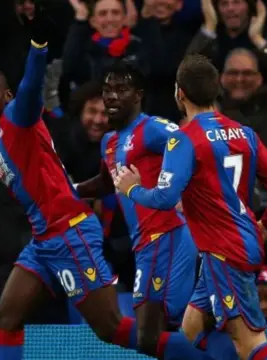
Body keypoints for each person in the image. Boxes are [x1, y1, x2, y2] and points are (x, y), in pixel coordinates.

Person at [0, 10, 138, 360]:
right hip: (46, 239)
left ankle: (196, 353)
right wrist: (81, 189)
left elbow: (32, 87)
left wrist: (38, 47)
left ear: (7, 96)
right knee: (6, 317)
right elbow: (51, 183)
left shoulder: (17, 116)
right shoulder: (0, 135)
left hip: (70, 234)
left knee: (112, 330)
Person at [114, 54, 267, 360]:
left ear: (178, 93)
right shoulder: (244, 133)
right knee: (192, 329)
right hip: (233, 243)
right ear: (216, 90)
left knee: (250, 342)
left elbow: (165, 199)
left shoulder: (184, 140)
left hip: (226, 252)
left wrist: (132, 188)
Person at [75, 61, 234, 360]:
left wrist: (186, 191)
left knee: (152, 334)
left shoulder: (152, 129)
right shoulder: (110, 141)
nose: (111, 96)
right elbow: (108, 183)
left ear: (138, 95)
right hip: (146, 243)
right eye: (107, 89)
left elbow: (192, 143)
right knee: (160, 333)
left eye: (121, 90)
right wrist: (70, 189)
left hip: (168, 235)